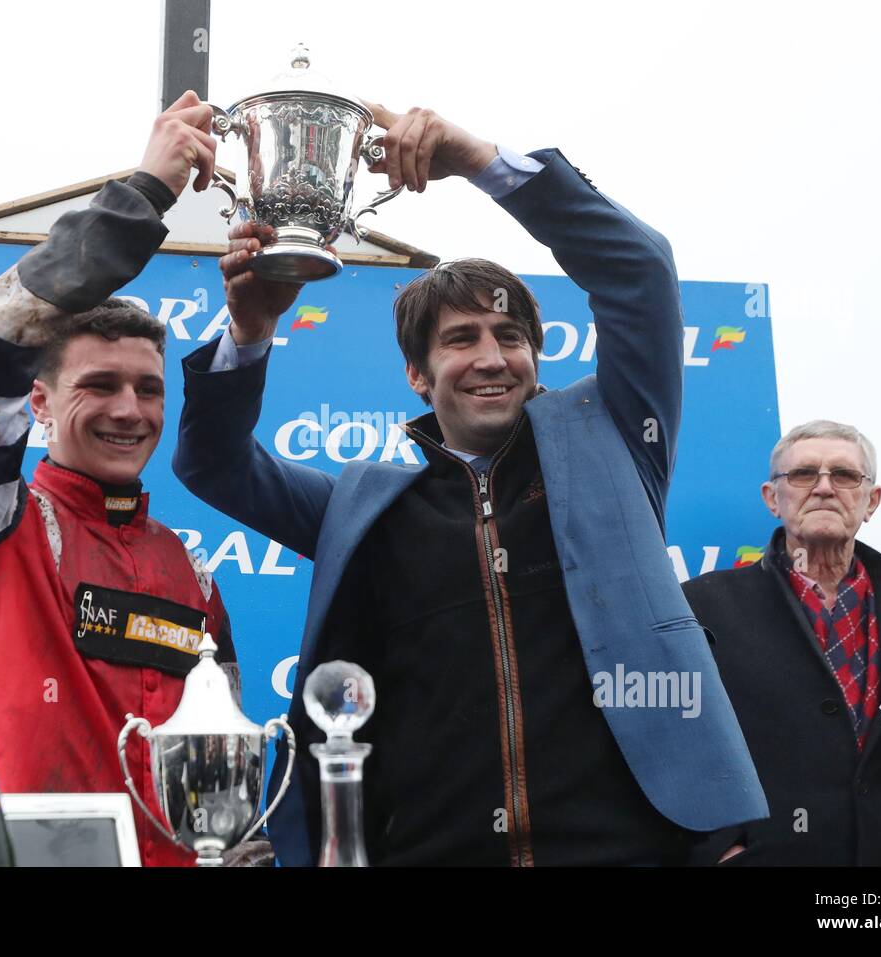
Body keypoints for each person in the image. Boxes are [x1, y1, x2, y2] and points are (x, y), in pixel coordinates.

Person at [173, 103, 767, 865]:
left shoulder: (615, 443)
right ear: (419, 376)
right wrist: (250, 331)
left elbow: (639, 269)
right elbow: (213, 463)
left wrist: (482, 161)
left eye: (509, 336)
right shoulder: (365, 509)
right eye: (460, 339)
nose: (491, 357)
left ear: (536, 358)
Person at [0, 91, 235, 867]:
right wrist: (144, 198)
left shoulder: (191, 573)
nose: (130, 409)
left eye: (149, 388)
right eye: (100, 384)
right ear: (39, 402)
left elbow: (220, 789)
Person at [682, 421, 881, 865]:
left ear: (871, 501)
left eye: (844, 476)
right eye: (804, 474)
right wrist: (717, 849)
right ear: (772, 498)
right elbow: (672, 741)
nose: (824, 488)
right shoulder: (701, 606)